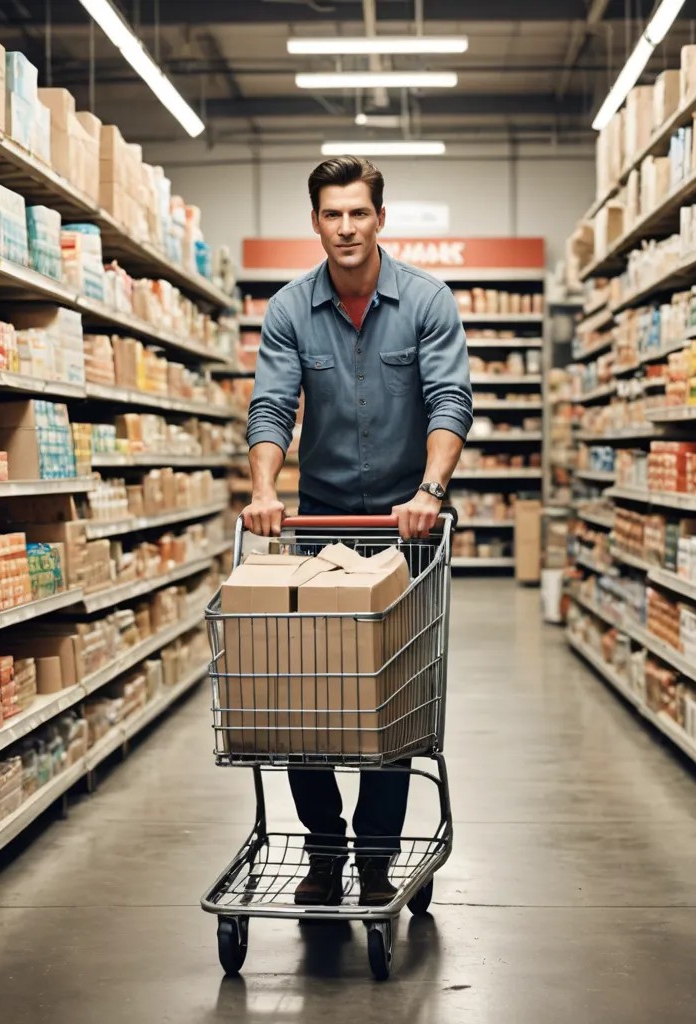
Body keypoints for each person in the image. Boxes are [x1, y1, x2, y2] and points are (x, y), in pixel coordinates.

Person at [242, 155, 472, 906]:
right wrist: (265, 490)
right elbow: (273, 406)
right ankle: (325, 847)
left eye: (358, 212)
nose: (346, 226)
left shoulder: (427, 301)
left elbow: (448, 401)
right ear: (316, 221)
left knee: (393, 698)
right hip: (321, 530)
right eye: (332, 213)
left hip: (407, 530)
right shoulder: (287, 309)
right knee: (307, 699)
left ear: (380, 218)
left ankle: (375, 856)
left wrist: (430, 491)